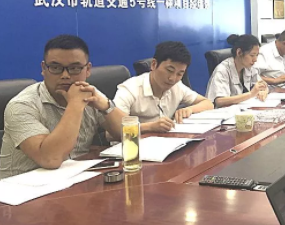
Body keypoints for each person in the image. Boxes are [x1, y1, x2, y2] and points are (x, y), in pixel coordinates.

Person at [0, 35, 124, 179]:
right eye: (56, 68)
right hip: (22, 187)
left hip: (74, 179)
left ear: (87, 69)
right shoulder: (21, 106)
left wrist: (106, 106)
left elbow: (130, 135)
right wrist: (75, 105)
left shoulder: (88, 94)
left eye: (75, 68)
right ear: (43, 69)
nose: (65, 75)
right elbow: (50, 159)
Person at [114, 41, 214, 132]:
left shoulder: (177, 86)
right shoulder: (129, 90)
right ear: (154, 64)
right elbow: (112, 133)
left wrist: (189, 110)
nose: (172, 79)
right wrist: (150, 127)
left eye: (179, 74)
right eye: (169, 70)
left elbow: (208, 103)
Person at [206, 34, 268, 107]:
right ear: (239, 52)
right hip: (224, 112)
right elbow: (219, 101)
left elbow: (263, 85)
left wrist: (264, 91)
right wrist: (251, 94)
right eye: (252, 55)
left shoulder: (249, 67)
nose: (255, 60)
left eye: (257, 55)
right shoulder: (222, 70)